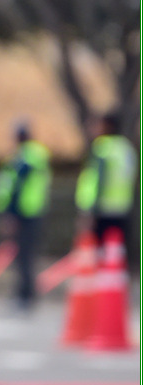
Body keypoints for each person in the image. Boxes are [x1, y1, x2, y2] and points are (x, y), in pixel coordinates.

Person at [0, 120, 51, 309]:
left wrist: (10, 214)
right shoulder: (35, 155)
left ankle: (25, 296)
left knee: (23, 257)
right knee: (25, 256)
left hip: (24, 212)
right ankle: (25, 294)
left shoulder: (24, 158)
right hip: (33, 210)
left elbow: (16, 188)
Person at [75, 110, 138, 270]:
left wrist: (90, 210)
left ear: (107, 126)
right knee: (116, 252)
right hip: (122, 207)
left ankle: (101, 283)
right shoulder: (126, 149)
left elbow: (98, 181)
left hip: (102, 209)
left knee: (98, 254)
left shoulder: (102, 148)